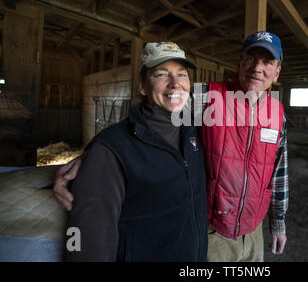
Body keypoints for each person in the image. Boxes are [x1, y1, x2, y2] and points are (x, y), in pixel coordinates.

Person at [55, 31, 288, 262]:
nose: (257, 68)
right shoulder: (208, 97)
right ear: (240, 64)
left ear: (276, 72)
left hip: (253, 230)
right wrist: (92, 155)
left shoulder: (277, 114)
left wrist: (278, 223)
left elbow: (279, 172)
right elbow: (152, 117)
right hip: (215, 232)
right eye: (250, 59)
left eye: (267, 62)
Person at [63, 42, 208, 261]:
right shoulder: (110, 148)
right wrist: (92, 155)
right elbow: (89, 238)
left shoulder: (194, 132)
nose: (175, 84)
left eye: (182, 75)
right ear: (142, 86)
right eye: (161, 74)